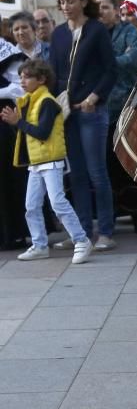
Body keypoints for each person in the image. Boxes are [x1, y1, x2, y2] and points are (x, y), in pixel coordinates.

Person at [2, 59, 93, 264]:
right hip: (36, 162)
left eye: (27, 77)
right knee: (31, 206)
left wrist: (18, 122)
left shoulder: (48, 103)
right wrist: (15, 124)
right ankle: (40, 245)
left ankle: (81, 240)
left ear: (42, 79)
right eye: (21, 77)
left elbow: (42, 133)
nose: (22, 81)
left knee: (58, 202)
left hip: (50, 160)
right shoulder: (29, 102)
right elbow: (26, 134)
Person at [50, 0, 117, 251]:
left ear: (83, 1)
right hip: (67, 113)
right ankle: (81, 232)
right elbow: (54, 74)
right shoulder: (58, 34)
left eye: (71, 1)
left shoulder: (97, 30)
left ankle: (106, 232)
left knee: (96, 173)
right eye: (62, 2)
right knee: (76, 174)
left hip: (91, 110)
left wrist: (94, 97)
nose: (66, 7)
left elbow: (110, 70)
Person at [95, 0, 137, 234]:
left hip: (125, 107)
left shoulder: (127, 31)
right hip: (99, 107)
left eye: (105, 7)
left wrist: (107, 63)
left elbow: (136, 57)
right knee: (104, 164)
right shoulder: (92, 33)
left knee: (127, 163)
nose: (101, 12)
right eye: (97, 8)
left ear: (116, 10)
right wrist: (119, 59)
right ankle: (111, 215)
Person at [0, 27, 28, 250]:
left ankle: (12, 233)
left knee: (7, 179)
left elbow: (21, 88)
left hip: (4, 124)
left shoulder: (7, 51)